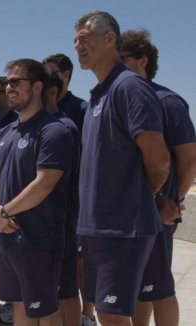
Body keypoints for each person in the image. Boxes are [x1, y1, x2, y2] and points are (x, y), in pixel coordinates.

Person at [74, 11, 170, 326]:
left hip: (122, 225)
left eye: (85, 38)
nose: (78, 46)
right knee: (105, 311)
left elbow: (159, 160)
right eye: (75, 41)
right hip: (96, 226)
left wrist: (147, 194)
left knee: (111, 314)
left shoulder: (129, 87)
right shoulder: (97, 97)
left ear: (110, 38)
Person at [0, 59, 73, 326]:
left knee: (45, 312)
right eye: (6, 81)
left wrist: (4, 211)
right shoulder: (5, 132)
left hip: (38, 240)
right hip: (7, 238)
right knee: (19, 305)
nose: (8, 87)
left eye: (15, 82)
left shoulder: (55, 130)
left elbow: (44, 183)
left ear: (37, 87)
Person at [119, 28, 196, 326]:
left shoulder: (167, 101)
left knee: (158, 286)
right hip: (127, 211)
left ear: (143, 61)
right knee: (138, 285)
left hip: (156, 213)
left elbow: (188, 159)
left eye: (122, 59)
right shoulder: (123, 100)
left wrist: (172, 200)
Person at [44, 72, 82, 326]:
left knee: (66, 290)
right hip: (36, 225)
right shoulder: (35, 125)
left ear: (52, 91)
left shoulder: (64, 127)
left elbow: (54, 179)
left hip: (61, 223)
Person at [42, 54, 88, 132]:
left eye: (50, 72)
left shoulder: (82, 109)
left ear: (66, 74)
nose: (46, 78)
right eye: (44, 75)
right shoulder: (40, 108)